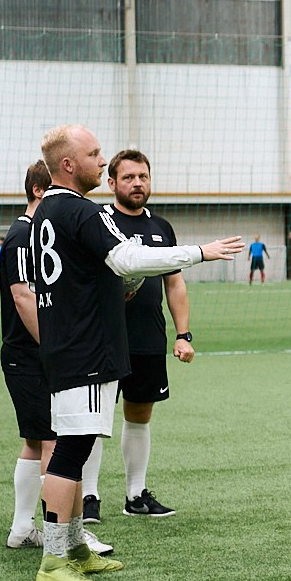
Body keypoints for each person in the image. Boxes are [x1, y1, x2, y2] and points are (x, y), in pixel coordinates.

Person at [26, 124, 241, 581]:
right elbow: (126, 260)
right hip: (83, 346)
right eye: (94, 153)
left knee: (79, 446)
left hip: (79, 343)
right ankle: (52, 562)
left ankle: (75, 546)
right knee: (70, 451)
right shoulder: (80, 210)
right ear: (68, 164)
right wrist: (200, 253)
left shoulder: (50, 211)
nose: (100, 161)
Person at [103, 149, 190, 519]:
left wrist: (183, 334)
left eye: (143, 176)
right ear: (112, 183)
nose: (137, 183)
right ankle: (88, 498)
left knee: (139, 416)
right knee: (93, 420)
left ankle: (135, 495)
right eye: (128, 177)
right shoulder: (99, 222)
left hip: (147, 338)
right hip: (102, 339)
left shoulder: (161, 227)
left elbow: (175, 283)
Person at [0, 161, 56, 549]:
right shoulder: (22, 236)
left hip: (32, 354)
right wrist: (51, 346)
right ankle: (61, 533)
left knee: (35, 440)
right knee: (52, 440)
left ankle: (22, 529)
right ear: (39, 191)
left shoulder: (42, 237)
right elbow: (22, 295)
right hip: (28, 354)